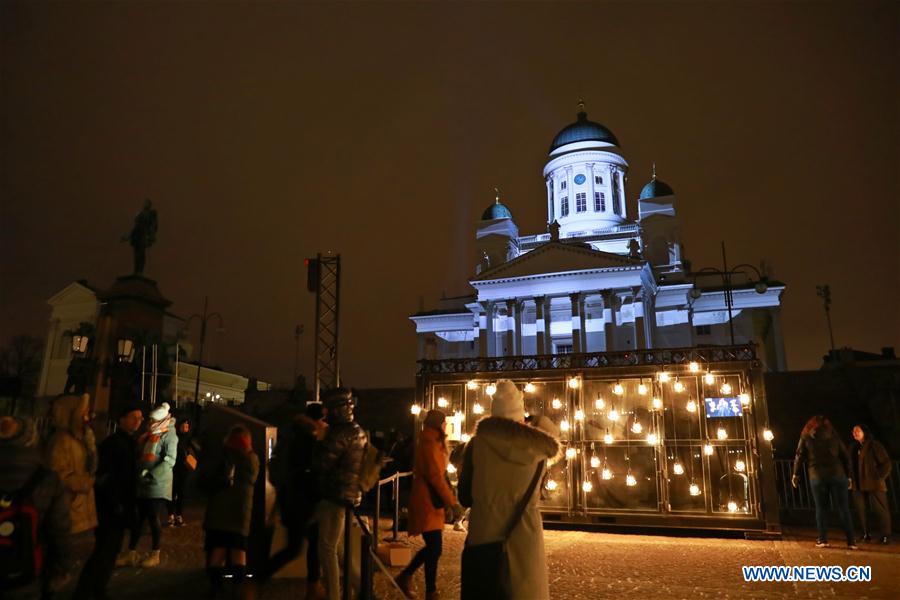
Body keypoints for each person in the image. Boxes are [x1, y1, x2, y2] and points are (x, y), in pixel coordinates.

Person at [458, 380, 559, 600]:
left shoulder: (476, 445)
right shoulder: (538, 448)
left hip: (484, 538)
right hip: (525, 538)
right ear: (521, 414)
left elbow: (464, 496)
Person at [73, 403, 143, 599]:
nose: (138, 421)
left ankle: (96, 590)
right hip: (111, 508)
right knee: (103, 552)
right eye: (133, 417)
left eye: (140, 418)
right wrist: (116, 504)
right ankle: (86, 592)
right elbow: (107, 478)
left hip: (119, 507)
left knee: (110, 552)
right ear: (121, 419)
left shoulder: (128, 442)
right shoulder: (114, 444)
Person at [0, 416, 73, 599]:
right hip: (24, 570)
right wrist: (61, 568)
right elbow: (59, 530)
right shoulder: (46, 479)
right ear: (31, 439)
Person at [263, 402, 328, 599]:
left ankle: (313, 586)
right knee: (294, 548)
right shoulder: (307, 437)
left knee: (313, 544)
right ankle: (258, 576)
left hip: (293, 498)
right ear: (319, 420)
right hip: (301, 501)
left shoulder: (293, 433)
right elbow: (308, 471)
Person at [396, 410, 463, 600]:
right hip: (427, 501)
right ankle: (419, 584)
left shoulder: (432, 441)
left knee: (434, 548)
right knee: (434, 547)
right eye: (444, 423)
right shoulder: (430, 442)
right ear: (439, 424)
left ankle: (426, 588)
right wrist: (452, 501)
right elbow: (435, 475)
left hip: (430, 501)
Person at [311, 388, 367, 600]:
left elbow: (321, 463)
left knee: (326, 549)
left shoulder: (339, 433)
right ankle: (361, 585)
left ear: (337, 409)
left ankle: (334, 595)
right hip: (347, 494)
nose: (324, 412)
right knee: (337, 547)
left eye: (327, 408)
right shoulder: (356, 430)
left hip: (335, 494)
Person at [203, 425, 259, 596]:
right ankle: (238, 589)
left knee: (218, 550)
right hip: (240, 513)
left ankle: (216, 587)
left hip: (218, 512)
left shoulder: (223, 457)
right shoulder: (251, 460)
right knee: (238, 552)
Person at [122, 401, 178, 567]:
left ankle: (155, 553)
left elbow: (170, 460)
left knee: (153, 517)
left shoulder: (170, 435)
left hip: (157, 484)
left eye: (153, 421)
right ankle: (131, 552)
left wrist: (152, 474)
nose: (150, 424)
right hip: (143, 481)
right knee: (138, 519)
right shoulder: (151, 433)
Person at [791, 415, 856, 549]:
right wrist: (849, 476)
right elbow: (845, 456)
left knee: (821, 509)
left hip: (817, 475)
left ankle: (823, 539)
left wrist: (795, 474)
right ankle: (851, 541)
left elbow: (799, 455)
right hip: (838, 475)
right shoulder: (834, 436)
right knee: (844, 508)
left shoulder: (806, 437)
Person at [46, 393, 98, 536]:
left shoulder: (79, 438)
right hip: (69, 510)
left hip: (80, 508)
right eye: (85, 412)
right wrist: (86, 482)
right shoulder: (61, 441)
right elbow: (58, 475)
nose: (88, 417)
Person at [850, 424, 892, 544]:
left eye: (857, 430)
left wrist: (878, 476)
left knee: (881, 509)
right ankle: (865, 533)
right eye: (853, 431)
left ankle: (885, 535)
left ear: (865, 431)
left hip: (874, 483)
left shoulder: (874, 445)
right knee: (860, 509)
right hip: (858, 483)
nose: (855, 433)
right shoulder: (855, 447)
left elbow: (886, 463)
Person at [166, 416, 196, 527]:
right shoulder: (174, 438)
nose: (185, 428)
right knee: (172, 493)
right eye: (183, 425)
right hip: (174, 469)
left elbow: (195, 451)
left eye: (187, 426)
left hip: (184, 470)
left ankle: (179, 515)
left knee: (181, 493)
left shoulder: (189, 440)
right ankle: (170, 516)